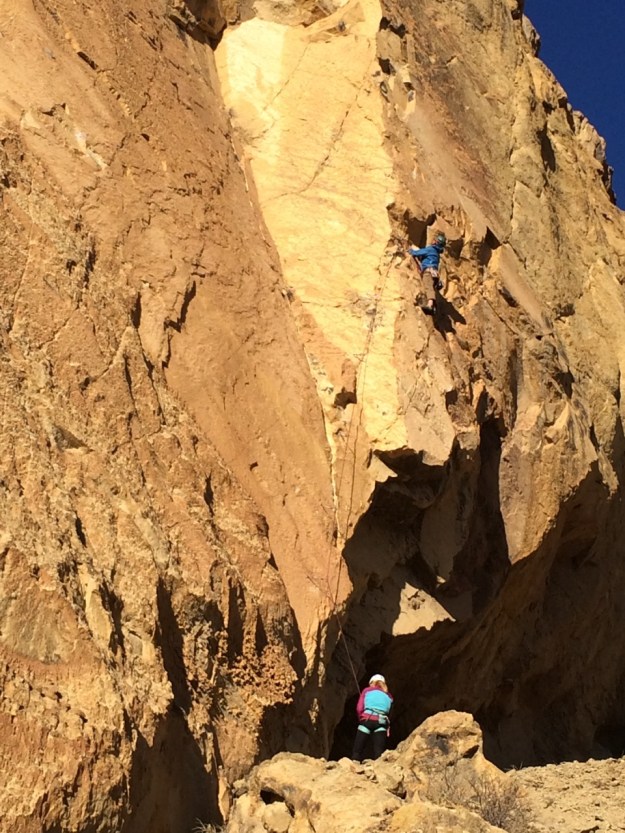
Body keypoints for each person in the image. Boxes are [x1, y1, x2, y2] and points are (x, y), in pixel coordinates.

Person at [352, 674, 393, 761]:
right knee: (379, 752)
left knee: (357, 751)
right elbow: (390, 713)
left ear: (372, 683)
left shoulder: (367, 690)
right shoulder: (389, 696)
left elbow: (359, 708)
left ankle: (354, 764)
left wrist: (361, 718)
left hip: (367, 720)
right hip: (381, 722)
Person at [408, 231, 447, 315]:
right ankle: (434, 307)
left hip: (428, 272)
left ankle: (430, 305)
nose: (432, 240)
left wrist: (411, 251)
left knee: (428, 287)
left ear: (436, 242)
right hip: (434, 273)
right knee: (431, 287)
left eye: (434, 240)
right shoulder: (436, 253)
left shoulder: (430, 249)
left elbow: (419, 252)